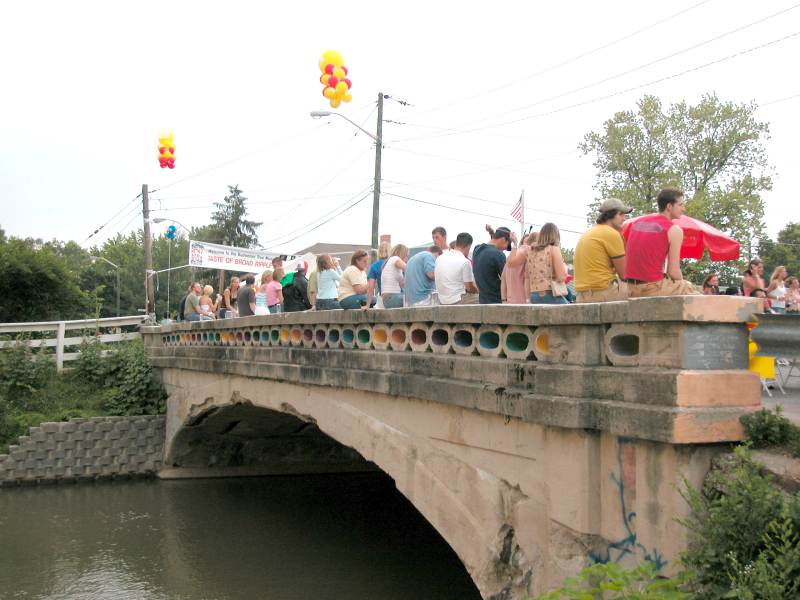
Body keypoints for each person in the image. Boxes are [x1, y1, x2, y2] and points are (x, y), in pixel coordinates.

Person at [622, 187, 698, 297]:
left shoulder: (638, 222)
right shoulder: (674, 230)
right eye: (680, 205)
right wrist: (681, 283)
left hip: (629, 287)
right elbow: (673, 272)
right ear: (669, 206)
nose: (683, 208)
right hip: (651, 287)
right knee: (692, 291)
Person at [572, 198, 631, 303]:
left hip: (581, 295)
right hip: (603, 292)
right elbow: (624, 274)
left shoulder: (589, 232)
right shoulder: (612, 234)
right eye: (621, 214)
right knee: (643, 290)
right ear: (610, 215)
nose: (624, 218)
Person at [508, 222, 568, 305]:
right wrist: (564, 267)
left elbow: (510, 263)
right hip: (551, 294)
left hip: (535, 296)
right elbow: (561, 277)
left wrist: (515, 244)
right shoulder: (554, 249)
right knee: (574, 315)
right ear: (556, 235)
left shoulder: (529, 251)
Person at [472, 226, 513, 304]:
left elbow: (489, 248)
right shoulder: (498, 254)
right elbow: (508, 279)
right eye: (507, 246)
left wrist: (491, 232)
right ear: (504, 239)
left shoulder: (477, 249)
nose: (504, 249)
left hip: (483, 300)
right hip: (496, 300)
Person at [435, 232, 479, 305]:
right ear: (468, 246)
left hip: (442, 300)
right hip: (457, 300)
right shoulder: (465, 262)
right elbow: (469, 288)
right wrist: (478, 291)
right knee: (483, 298)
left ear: (456, 243)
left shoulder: (439, 258)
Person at [501, 233, 531, 304]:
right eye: (527, 242)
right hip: (524, 301)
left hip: (510, 301)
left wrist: (504, 300)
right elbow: (527, 279)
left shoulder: (510, 257)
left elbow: (503, 279)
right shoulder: (528, 255)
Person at [380, 244, 409, 308]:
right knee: (416, 300)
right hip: (392, 297)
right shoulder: (395, 258)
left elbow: (402, 285)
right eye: (406, 256)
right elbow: (409, 268)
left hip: (388, 299)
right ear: (402, 253)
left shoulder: (390, 261)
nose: (407, 258)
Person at [365, 241, 392, 308]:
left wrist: (367, 305)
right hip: (400, 295)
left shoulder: (375, 266)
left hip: (384, 298)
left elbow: (371, 287)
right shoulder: (395, 262)